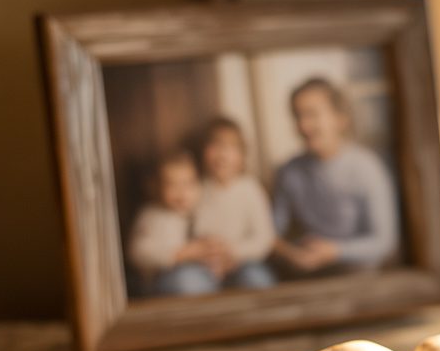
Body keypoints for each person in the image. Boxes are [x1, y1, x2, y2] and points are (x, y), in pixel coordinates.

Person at [271, 77, 400, 276]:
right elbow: (272, 233)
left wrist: (334, 251)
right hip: (309, 275)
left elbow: (384, 242)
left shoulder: (367, 168)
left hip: (360, 276)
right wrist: (292, 255)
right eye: (297, 116)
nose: (303, 125)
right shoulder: (289, 171)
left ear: (340, 119)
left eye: (312, 114)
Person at [126, 145, 273, 297]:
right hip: (162, 280)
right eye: (172, 185)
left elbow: (204, 244)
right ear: (156, 187)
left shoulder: (196, 212)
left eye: (188, 184)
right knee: (189, 282)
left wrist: (216, 254)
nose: (182, 193)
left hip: (203, 274)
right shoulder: (152, 215)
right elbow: (138, 253)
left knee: (250, 277)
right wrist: (179, 254)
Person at [194, 117, 277, 288]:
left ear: (242, 155)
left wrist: (232, 252)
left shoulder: (250, 189)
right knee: (187, 283)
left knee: (257, 279)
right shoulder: (196, 189)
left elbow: (264, 238)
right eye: (215, 146)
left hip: (243, 262)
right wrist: (205, 253)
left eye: (231, 147)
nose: (222, 154)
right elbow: (188, 232)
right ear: (203, 152)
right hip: (203, 264)